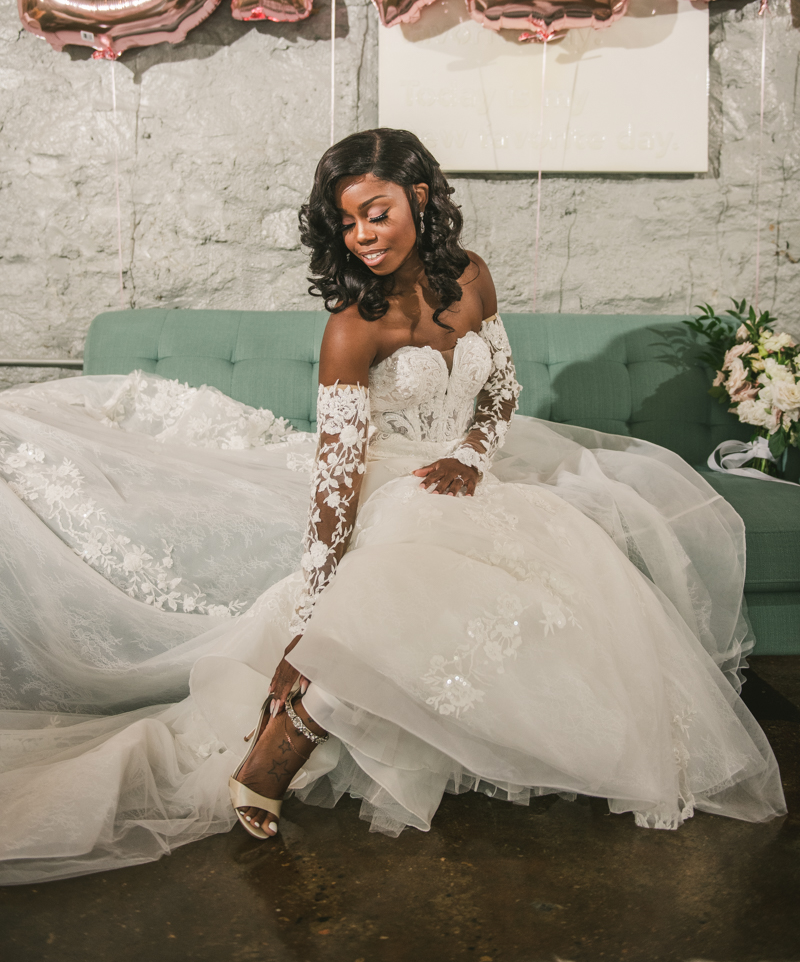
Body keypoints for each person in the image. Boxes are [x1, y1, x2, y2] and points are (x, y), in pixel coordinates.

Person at [0, 129, 785, 885]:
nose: (362, 235)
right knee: (410, 546)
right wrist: (309, 607)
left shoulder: (472, 276)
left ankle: (309, 718)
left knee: (554, 546)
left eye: (377, 213)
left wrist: (474, 458)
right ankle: (297, 717)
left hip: (470, 469)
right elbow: (336, 480)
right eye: (345, 222)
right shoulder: (352, 327)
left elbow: (502, 389)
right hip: (386, 483)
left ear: (418, 198)